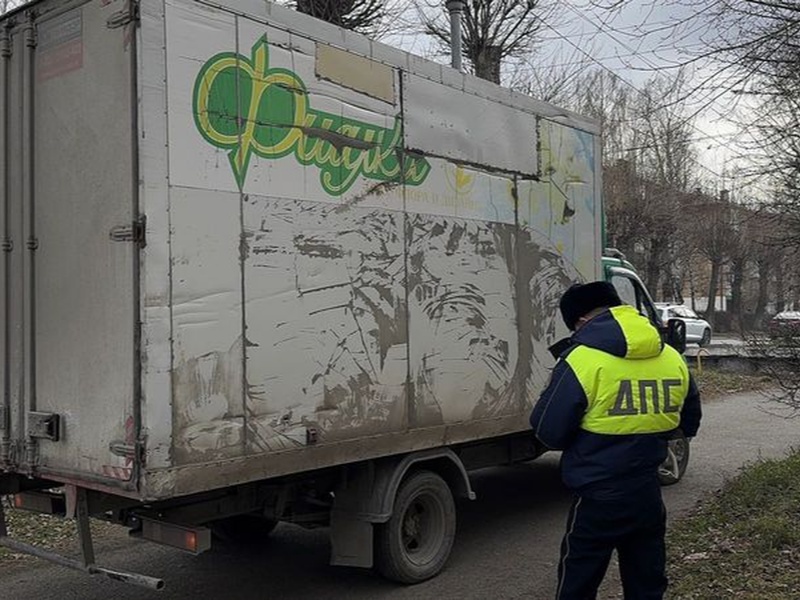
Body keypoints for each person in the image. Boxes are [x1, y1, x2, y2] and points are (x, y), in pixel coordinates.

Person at [530, 281, 702, 600]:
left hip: (598, 495)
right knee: (646, 585)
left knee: (578, 584)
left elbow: (547, 430)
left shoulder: (581, 359)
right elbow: (689, 421)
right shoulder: (671, 356)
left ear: (581, 321)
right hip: (648, 494)